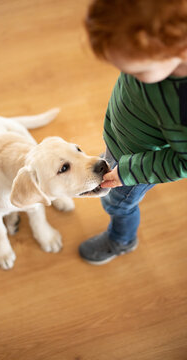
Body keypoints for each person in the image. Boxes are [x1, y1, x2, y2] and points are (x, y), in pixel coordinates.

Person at [79, 0, 187, 265]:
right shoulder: (155, 52)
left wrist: (130, 173)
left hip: (135, 165)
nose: (128, 75)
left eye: (136, 72)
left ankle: (121, 240)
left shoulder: (182, 105)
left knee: (117, 204)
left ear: (180, 50)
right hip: (123, 138)